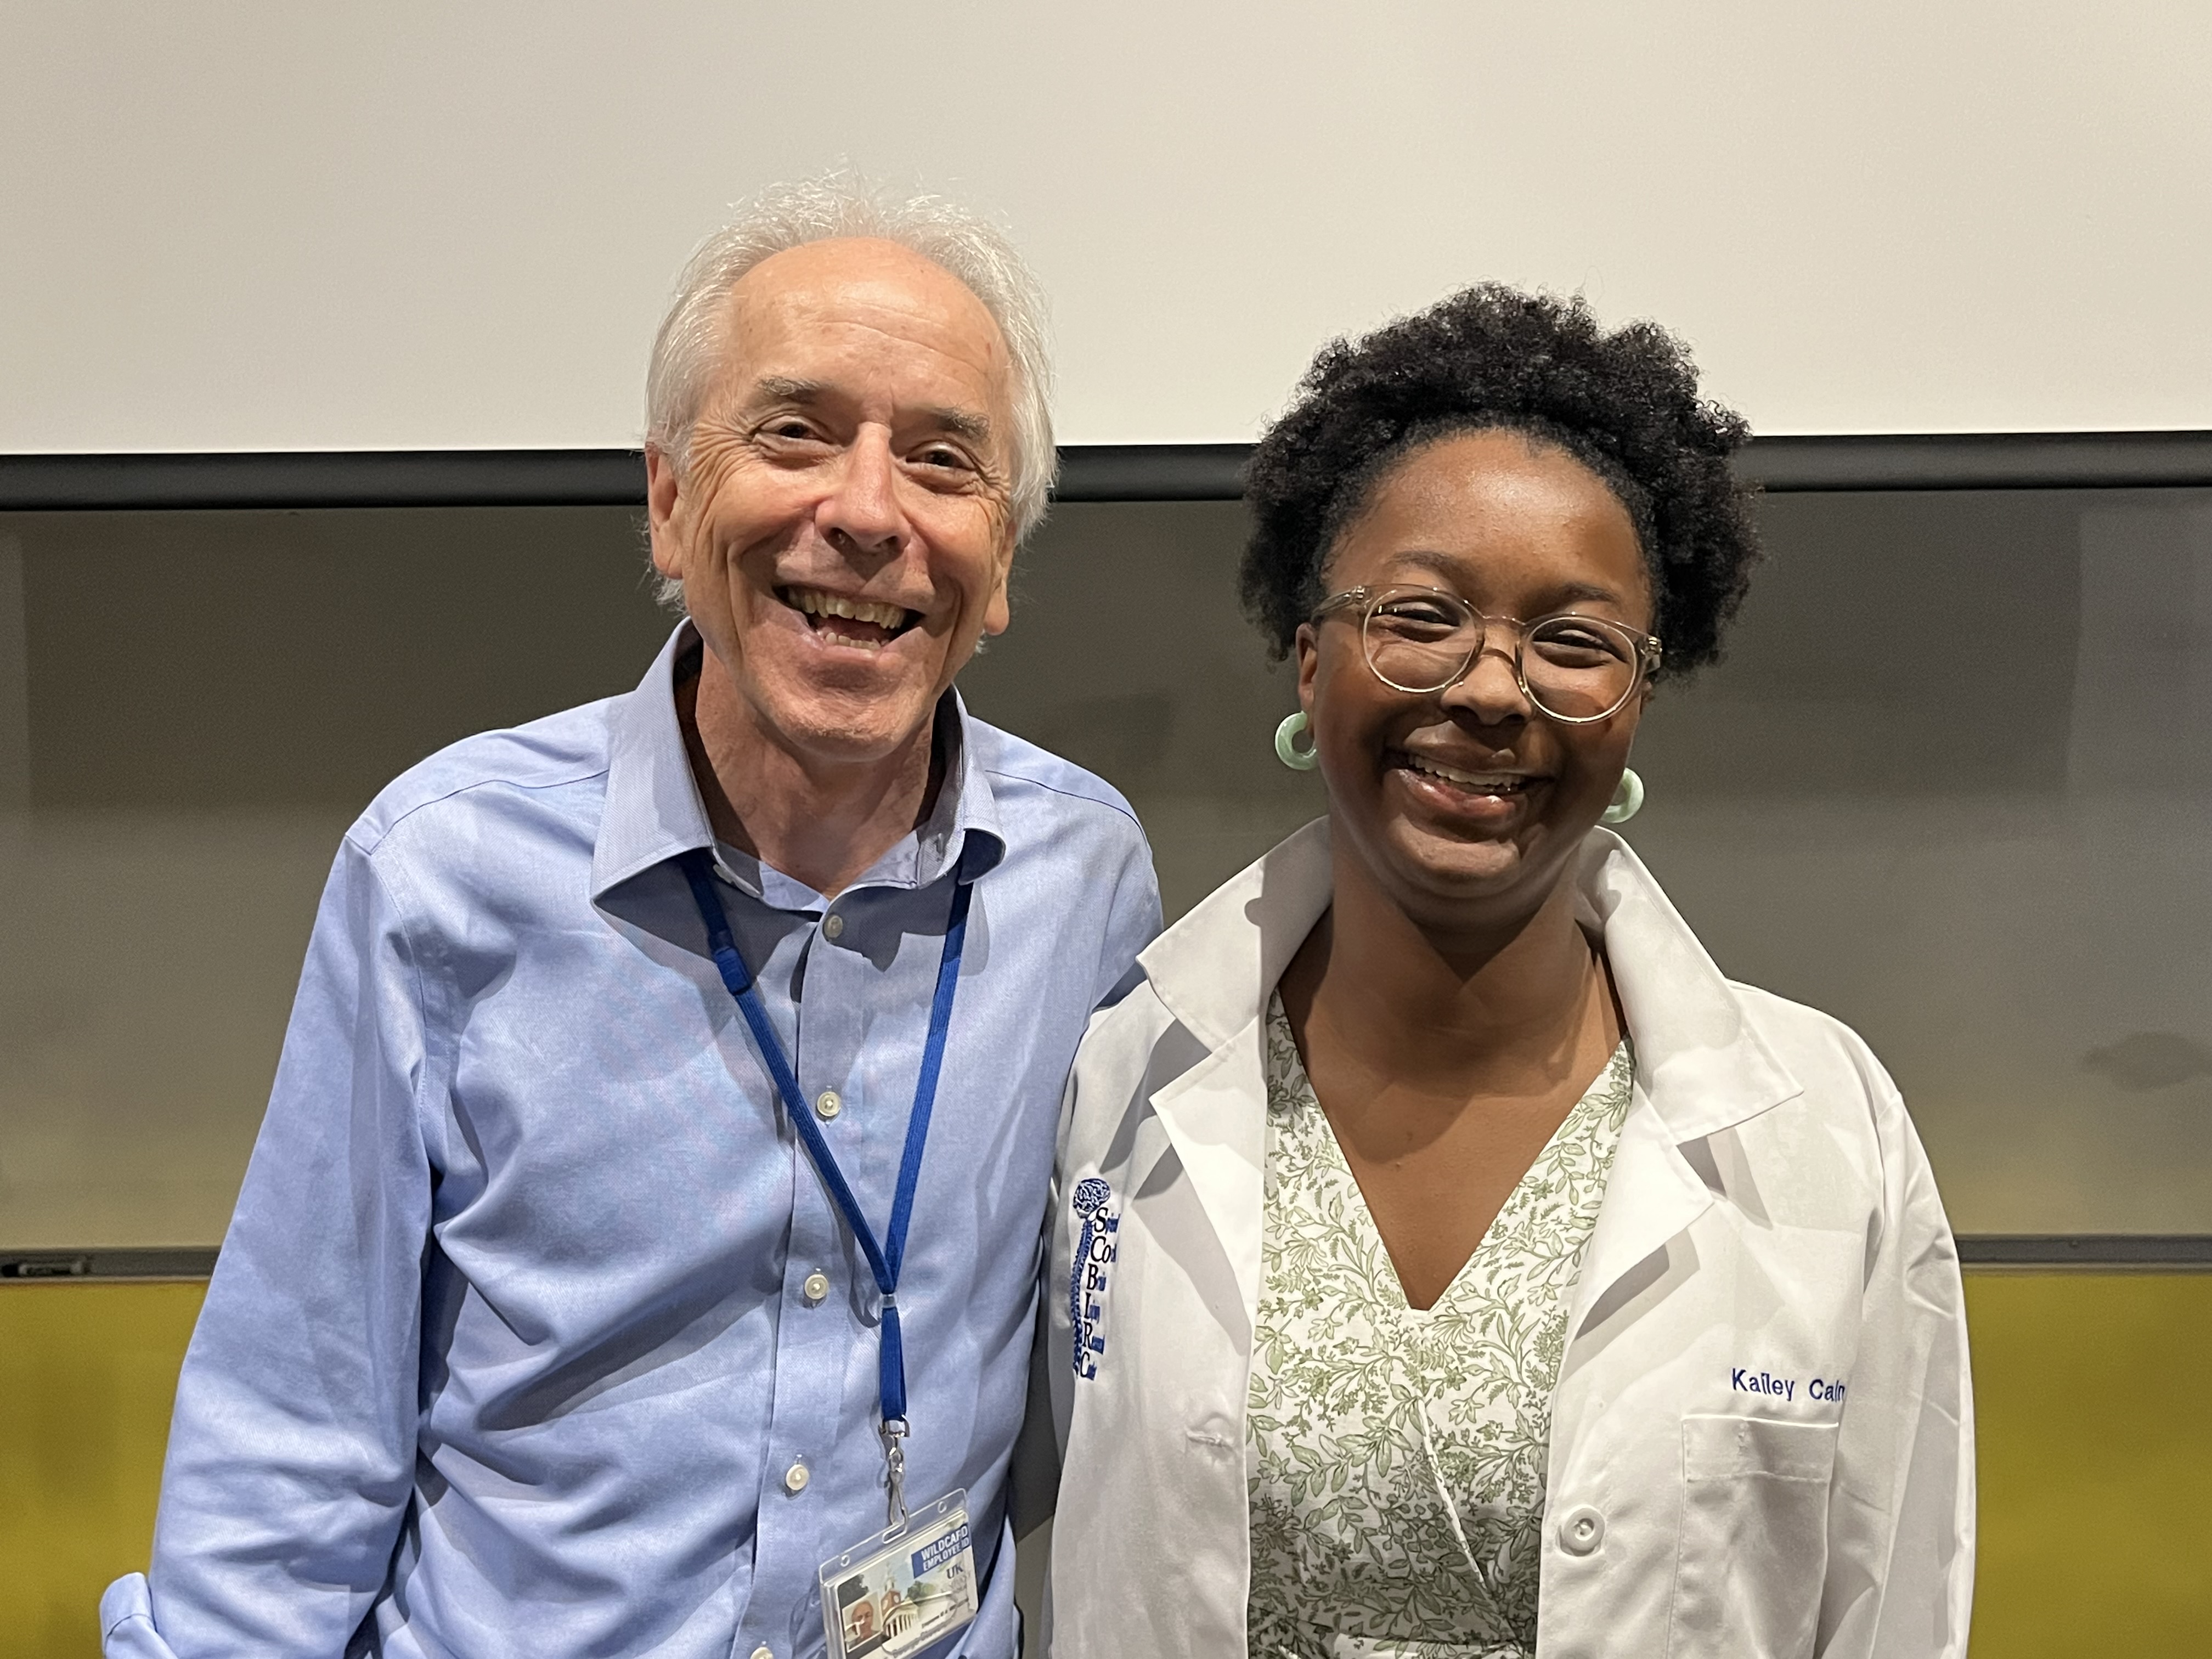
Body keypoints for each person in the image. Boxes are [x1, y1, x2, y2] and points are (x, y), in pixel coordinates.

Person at [101, 176, 1160, 1659]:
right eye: (793, 433)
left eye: (943, 460)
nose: (865, 511)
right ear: (668, 501)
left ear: (1001, 567)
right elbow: (295, 1430)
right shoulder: (448, 870)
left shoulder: (1085, 881)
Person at [1042, 287, 1972, 1658]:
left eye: (1574, 641)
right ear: (1310, 660)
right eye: (1422, 615)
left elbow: (1893, 1606)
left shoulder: (1829, 1130)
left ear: (1638, 700)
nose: (1492, 688)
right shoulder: (1126, 1073)